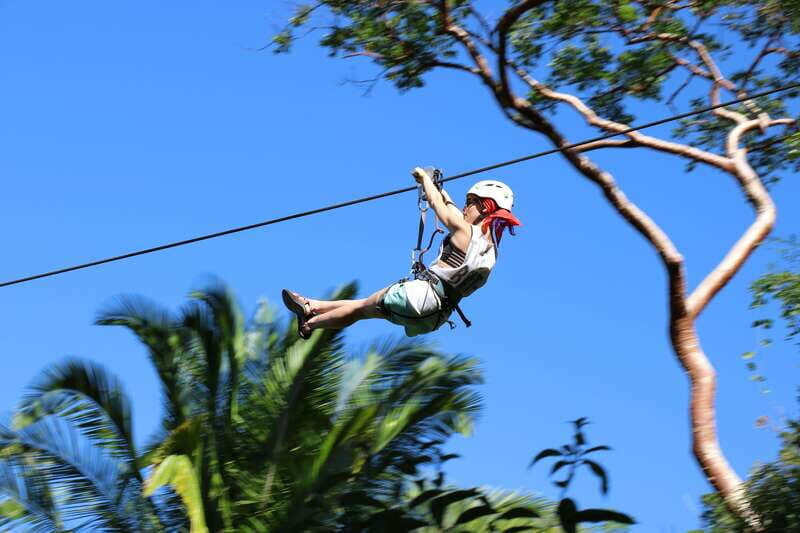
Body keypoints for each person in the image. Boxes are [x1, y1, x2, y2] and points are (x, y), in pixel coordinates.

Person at [282, 167, 521, 338]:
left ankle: (309, 322)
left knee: (360, 308)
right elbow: (450, 209)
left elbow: (441, 209)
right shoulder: (491, 255)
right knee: (362, 308)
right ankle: (311, 309)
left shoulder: (465, 231)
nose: (465, 206)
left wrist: (424, 179)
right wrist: (441, 191)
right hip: (433, 317)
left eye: (470, 201)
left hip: (420, 296)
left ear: (486, 206)